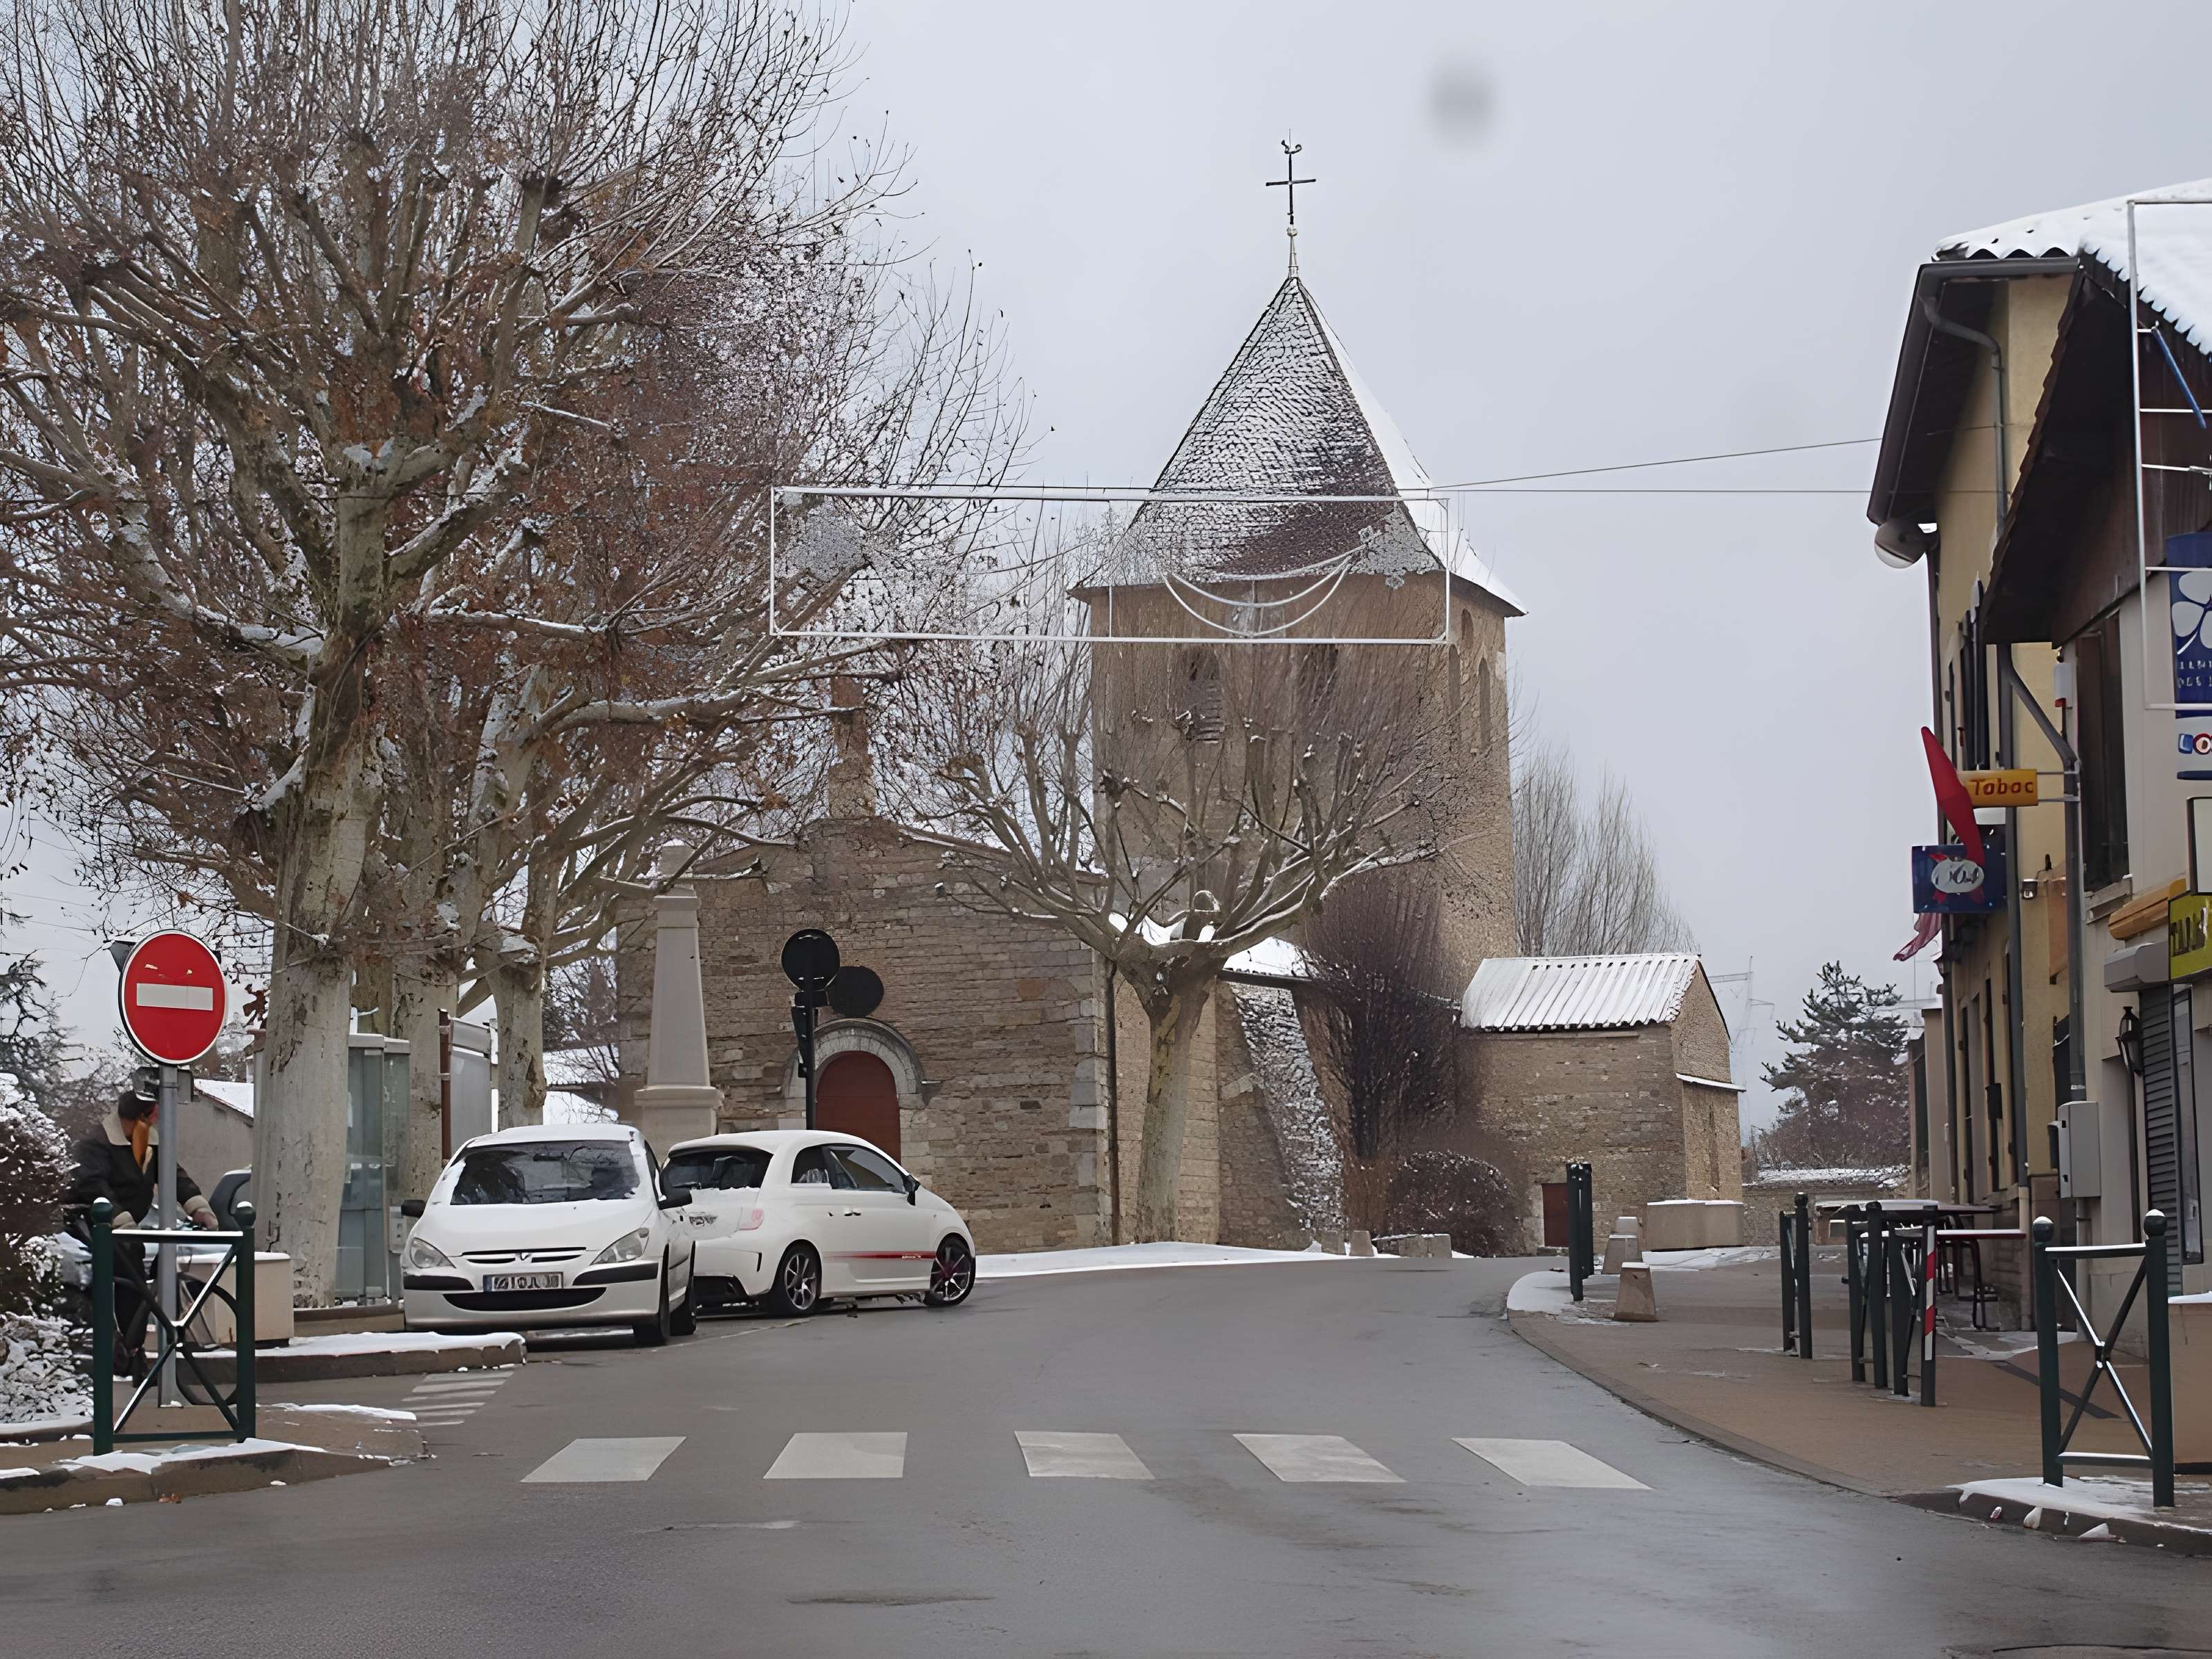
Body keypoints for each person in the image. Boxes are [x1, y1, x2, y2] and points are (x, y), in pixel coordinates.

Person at [65, 1069, 218, 1371]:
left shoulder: (147, 1141)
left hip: (127, 1225)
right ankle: (127, 1349)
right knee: (128, 1265)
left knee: (157, 1260)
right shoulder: (96, 1143)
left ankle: (135, 1343)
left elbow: (173, 1174)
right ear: (134, 1119)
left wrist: (198, 1207)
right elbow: (94, 1186)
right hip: (91, 1226)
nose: (152, 1126)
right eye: (149, 1120)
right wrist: (120, 1221)